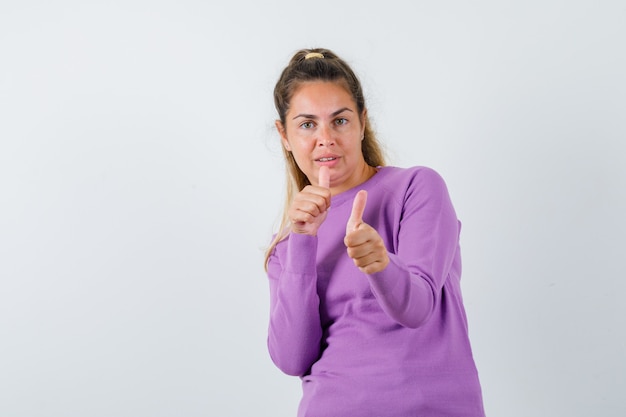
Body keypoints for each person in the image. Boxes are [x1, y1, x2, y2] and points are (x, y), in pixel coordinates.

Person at [264, 48, 485, 417]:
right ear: (284, 134)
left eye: (340, 121)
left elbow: (417, 308)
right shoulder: (286, 249)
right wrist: (302, 242)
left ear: (363, 122)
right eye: (307, 124)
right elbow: (292, 358)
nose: (325, 138)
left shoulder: (417, 188)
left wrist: (381, 264)